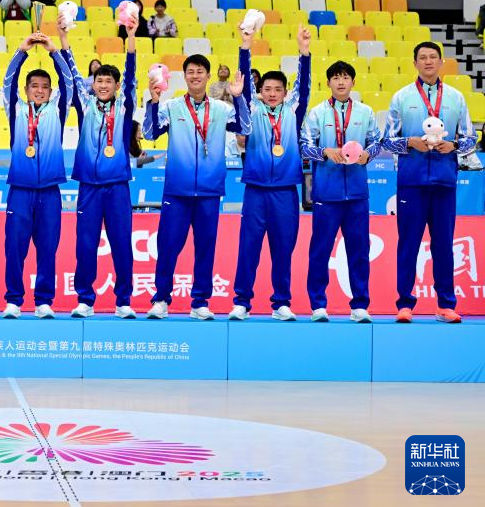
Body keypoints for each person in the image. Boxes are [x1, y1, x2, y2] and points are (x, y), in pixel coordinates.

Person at [143, 56, 250, 320]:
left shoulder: (221, 109)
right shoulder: (171, 106)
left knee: (205, 248)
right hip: (176, 191)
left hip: (209, 191)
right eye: (190, 72)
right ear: (184, 77)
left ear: (208, 76)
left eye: (200, 72)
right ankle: (161, 299)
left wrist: (238, 98)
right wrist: (153, 102)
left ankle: (200, 301)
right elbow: (149, 133)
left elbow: (245, 127)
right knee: (168, 246)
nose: (195, 76)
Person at [383, 42, 477, 323]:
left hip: (444, 182)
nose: (427, 61)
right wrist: (410, 143)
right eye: (422, 57)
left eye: (433, 57)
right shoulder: (401, 97)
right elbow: (387, 140)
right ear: (415, 63)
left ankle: (445, 305)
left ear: (441, 62)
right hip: (411, 182)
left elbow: (471, 138)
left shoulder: (456, 98)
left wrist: (454, 146)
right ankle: (404, 304)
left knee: (444, 245)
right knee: (408, 244)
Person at [229, 23, 312, 321]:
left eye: (278, 89)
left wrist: (304, 52)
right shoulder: (252, 110)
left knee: (283, 249)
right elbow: (244, 87)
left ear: (285, 93)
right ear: (260, 92)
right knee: (248, 248)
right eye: (267, 89)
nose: (273, 93)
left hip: (286, 192)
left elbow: (304, 86)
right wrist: (245, 46)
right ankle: (242, 301)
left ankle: (281, 303)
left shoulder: (293, 111)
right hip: (255, 191)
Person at [60, 15, 139, 318]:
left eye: (109, 81)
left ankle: (123, 301)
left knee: (122, 245)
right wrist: (64, 39)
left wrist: (130, 38)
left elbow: (131, 75)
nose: (103, 85)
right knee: (85, 245)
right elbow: (71, 71)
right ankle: (85, 299)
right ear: (93, 85)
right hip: (89, 187)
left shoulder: (125, 105)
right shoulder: (85, 103)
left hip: (117, 187)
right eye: (99, 81)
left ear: (117, 86)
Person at [300, 61, 383, 323]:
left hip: (357, 195)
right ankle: (318, 305)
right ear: (328, 83)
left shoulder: (366, 112)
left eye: (345, 77)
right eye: (335, 78)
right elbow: (304, 146)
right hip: (326, 195)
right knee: (320, 251)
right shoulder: (317, 113)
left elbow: (377, 142)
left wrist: (368, 154)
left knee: (359, 251)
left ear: (353, 82)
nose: (341, 82)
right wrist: (324, 152)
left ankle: (359, 305)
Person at [2, 33, 73, 319]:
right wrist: (21, 51)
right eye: (35, 86)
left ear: (51, 91)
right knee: (14, 248)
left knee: (47, 249)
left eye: (45, 87)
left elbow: (68, 82)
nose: (40, 91)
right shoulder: (16, 109)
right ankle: (13, 300)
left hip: (50, 191)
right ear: (26, 89)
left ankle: (43, 301)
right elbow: (7, 82)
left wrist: (55, 52)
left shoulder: (58, 110)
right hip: (20, 189)